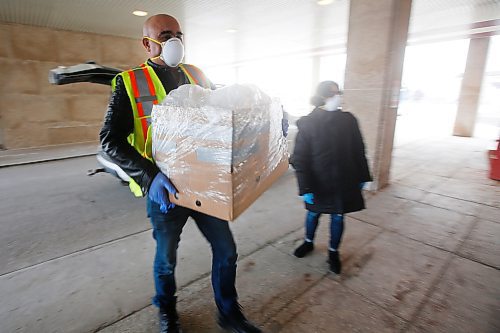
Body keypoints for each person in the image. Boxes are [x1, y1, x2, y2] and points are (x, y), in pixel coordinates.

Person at [100, 14, 261, 333]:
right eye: (165, 35)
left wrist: (259, 122)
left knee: (227, 251)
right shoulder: (128, 82)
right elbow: (110, 139)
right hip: (165, 191)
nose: (174, 41)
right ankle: (167, 311)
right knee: (166, 260)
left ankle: (229, 313)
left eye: (178, 34)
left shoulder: (197, 74)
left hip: (205, 186)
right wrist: (150, 176)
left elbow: (222, 117)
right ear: (148, 44)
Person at [291, 81, 372, 274]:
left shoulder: (348, 120)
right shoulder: (308, 123)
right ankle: (308, 242)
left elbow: (359, 149)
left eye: (340, 93)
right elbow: (300, 158)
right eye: (336, 93)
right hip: (319, 182)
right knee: (313, 214)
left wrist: (363, 176)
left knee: (338, 216)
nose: (340, 96)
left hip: (345, 180)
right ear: (325, 96)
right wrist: (305, 188)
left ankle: (333, 252)